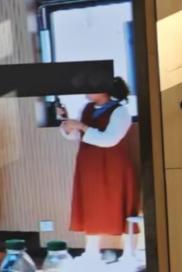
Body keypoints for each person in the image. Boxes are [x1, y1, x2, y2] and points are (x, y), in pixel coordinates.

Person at [59, 76, 139, 260]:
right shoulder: (86, 108)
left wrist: (81, 126)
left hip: (113, 166)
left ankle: (131, 253)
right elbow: (76, 136)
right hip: (89, 165)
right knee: (91, 204)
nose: (85, 91)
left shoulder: (120, 111)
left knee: (121, 206)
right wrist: (67, 124)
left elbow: (109, 139)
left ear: (104, 90)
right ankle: (91, 251)